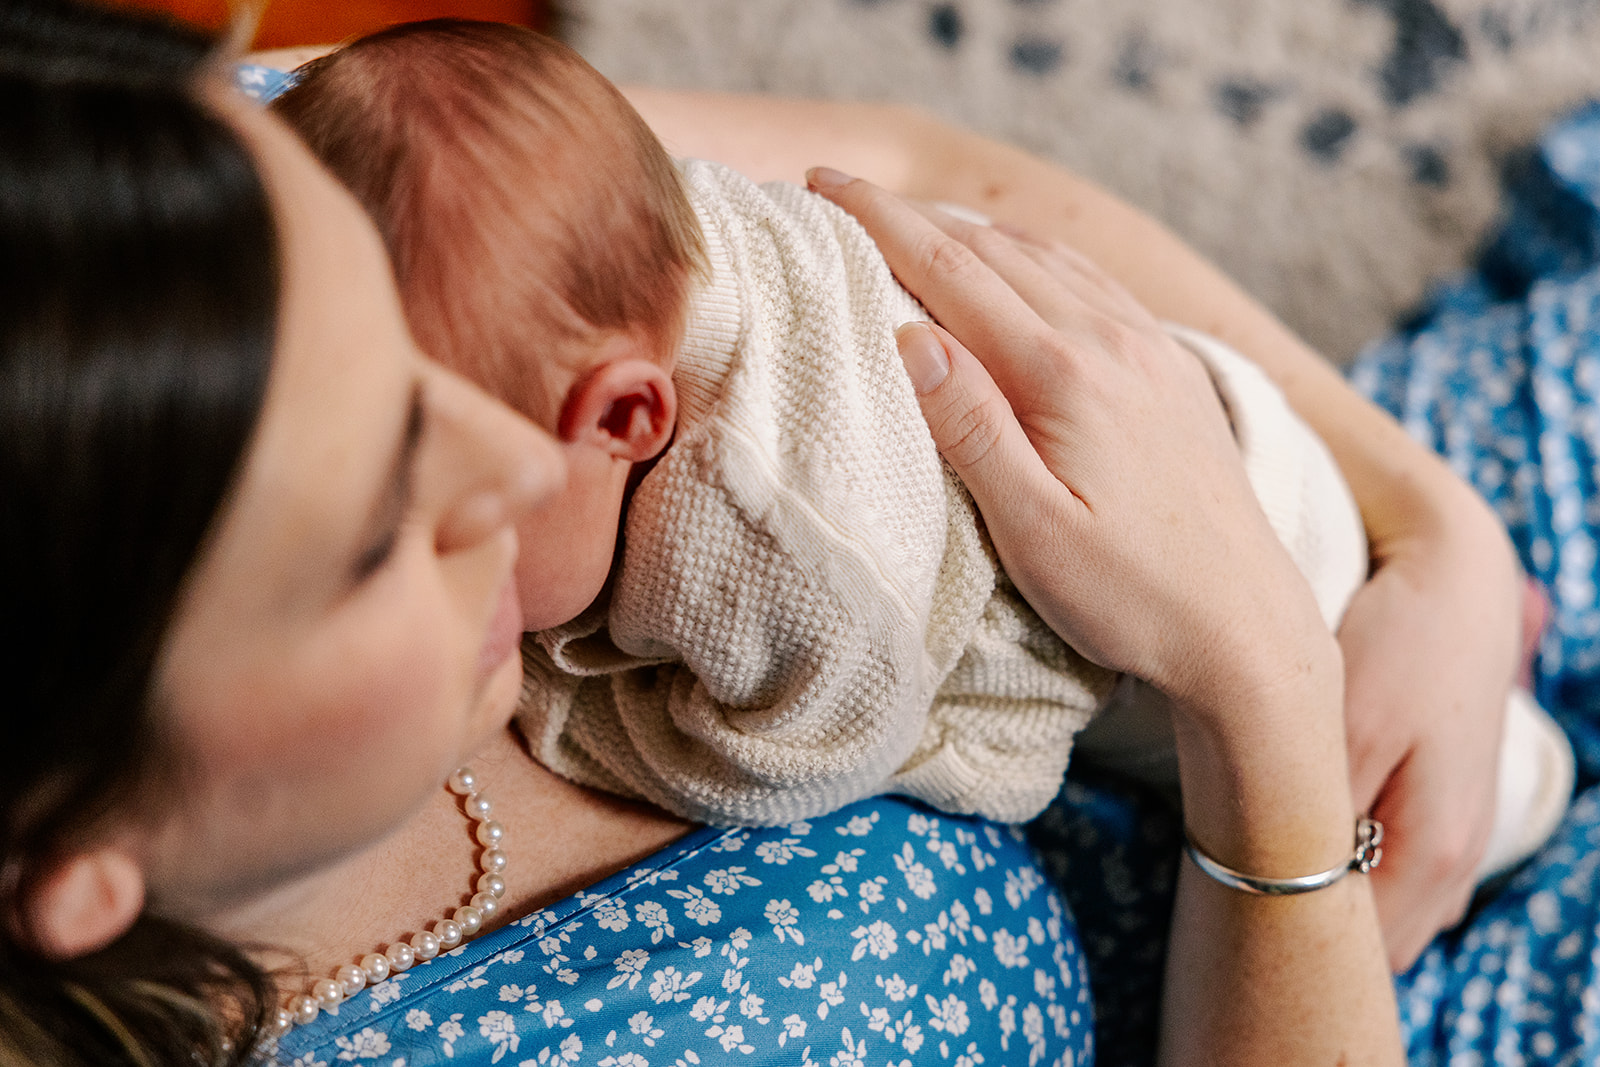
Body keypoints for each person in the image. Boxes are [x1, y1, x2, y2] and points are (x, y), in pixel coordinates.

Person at [2, 2, 1410, 1065]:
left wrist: (1423, 523)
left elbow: (907, 165)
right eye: (379, 532)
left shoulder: (166, 208)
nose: (508, 458)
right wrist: (1266, 692)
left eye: (410, 359)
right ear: (76, 860)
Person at [267, 23, 1569, 883]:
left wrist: (565, 708)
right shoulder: (620, 235)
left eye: (457, 519)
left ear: (625, 421)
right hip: (1220, 417)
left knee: (1479, 801)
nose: (444, 564)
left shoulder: (767, 532)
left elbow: (809, 751)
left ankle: (1537, 765)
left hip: (1266, 567)